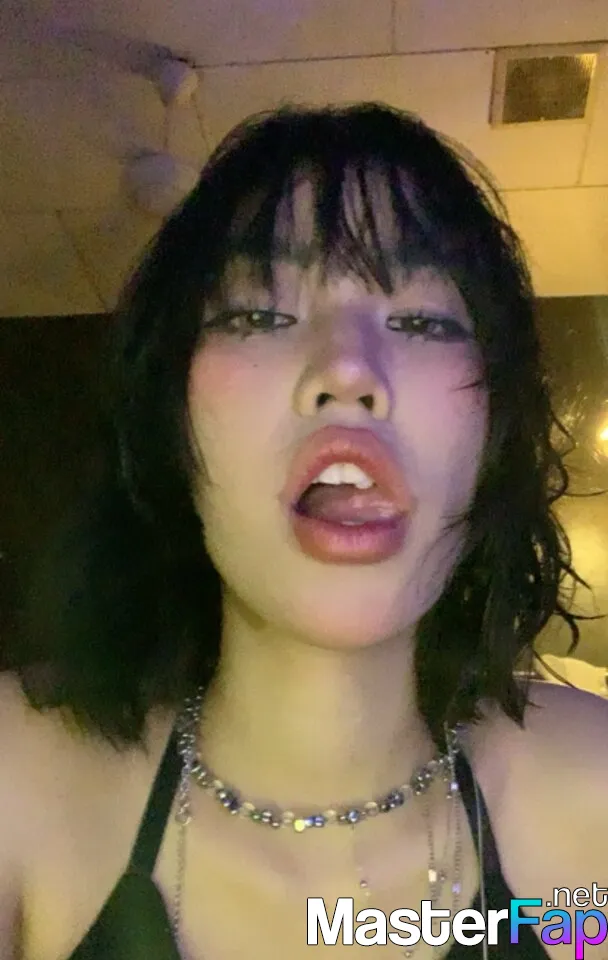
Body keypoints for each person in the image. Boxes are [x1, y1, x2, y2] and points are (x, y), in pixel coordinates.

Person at [1, 102, 607, 960]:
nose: (348, 369)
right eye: (258, 315)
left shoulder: (593, 811)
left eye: (425, 321)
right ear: (172, 420)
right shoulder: (20, 781)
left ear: (493, 437)